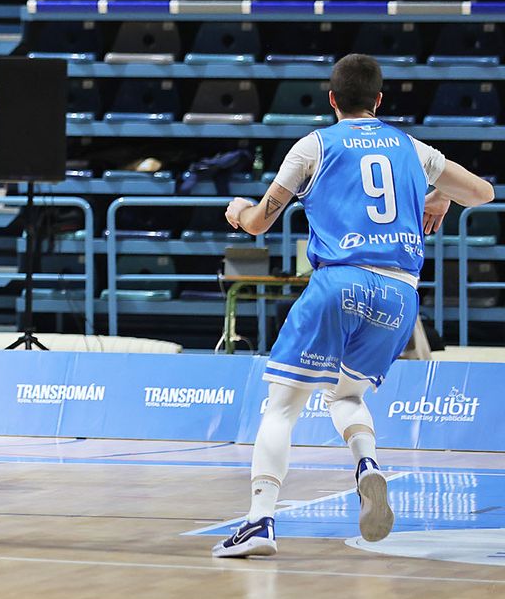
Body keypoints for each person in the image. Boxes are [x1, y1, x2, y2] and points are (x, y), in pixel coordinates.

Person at [211, 54, 494, 558]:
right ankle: (368, 466)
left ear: (332, 98)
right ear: (380, 100)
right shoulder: (411, 147)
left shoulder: (314, 145)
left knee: (280, 406)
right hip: (399, 293)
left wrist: (237, 213)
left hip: (340, 281)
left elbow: (259, 223)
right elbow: (482, 192)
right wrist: (439, 198)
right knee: (345, 397)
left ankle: (259, 521)